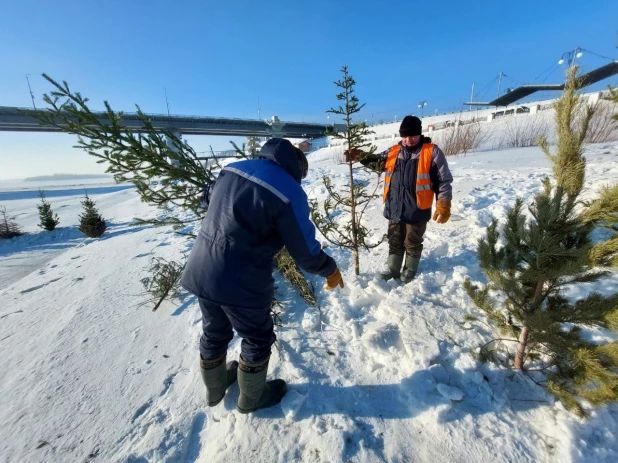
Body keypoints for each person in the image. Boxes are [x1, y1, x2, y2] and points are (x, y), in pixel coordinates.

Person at [181, 138, 344, 414]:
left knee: (214, 329)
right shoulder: (289, 191)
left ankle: (215, 389)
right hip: (241, 280)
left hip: (201, 267)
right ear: (297, 168)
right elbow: (304, 252)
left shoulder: (233, 169)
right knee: (257, 337)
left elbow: (207, 196)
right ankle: (252, 398)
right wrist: (329, 269)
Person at [346, 115, 453, 283]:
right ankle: (393, 269)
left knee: (412, 240)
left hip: (417, 208)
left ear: (419, 134)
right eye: (404, 136)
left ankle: (410, 269)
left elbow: (443, 180)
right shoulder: (394, 151)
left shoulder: (431, 152)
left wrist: (444, 203)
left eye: (412, 135)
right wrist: (360, 155)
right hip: (395, 206)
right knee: (394, 239)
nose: (408, 139)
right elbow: (377, 161)